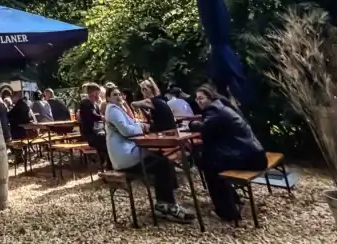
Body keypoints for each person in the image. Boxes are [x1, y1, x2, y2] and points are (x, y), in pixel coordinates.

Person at [104, 87, 195, 223]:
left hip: (129, 153)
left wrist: (140, 125)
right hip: (125, 158)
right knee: (162, 163)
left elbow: (131, 124)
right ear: (108, 98)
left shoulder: (117, 109)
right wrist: (142, 127)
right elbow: (127, 131)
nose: (119, 97)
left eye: (120, 94)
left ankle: (164, 204)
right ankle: (166, 205)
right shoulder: (112, 110)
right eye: (114, 95)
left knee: (161, 161)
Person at [189, 84, 268, 223]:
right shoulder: (223, 107)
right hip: (256, 154)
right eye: (197, 99)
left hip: (250, 158)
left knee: (210, 166)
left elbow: (205, 128)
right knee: (211, 160)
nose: (198, 101)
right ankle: (233, 199)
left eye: (201, 98)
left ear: (210, 97)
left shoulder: (214, 110)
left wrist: (191, 124)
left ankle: (227, 212)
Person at [77, 82, 109, 167]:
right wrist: (102, 117)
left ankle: (106, 162)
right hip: (89, 134)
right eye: (97, 93)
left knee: (109, 136)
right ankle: (105, 162)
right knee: (105, 138)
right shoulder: (85, 103)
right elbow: (93, 115)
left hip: (97, 131)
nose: (99, 95)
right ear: (93, 93)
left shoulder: (95, 104)